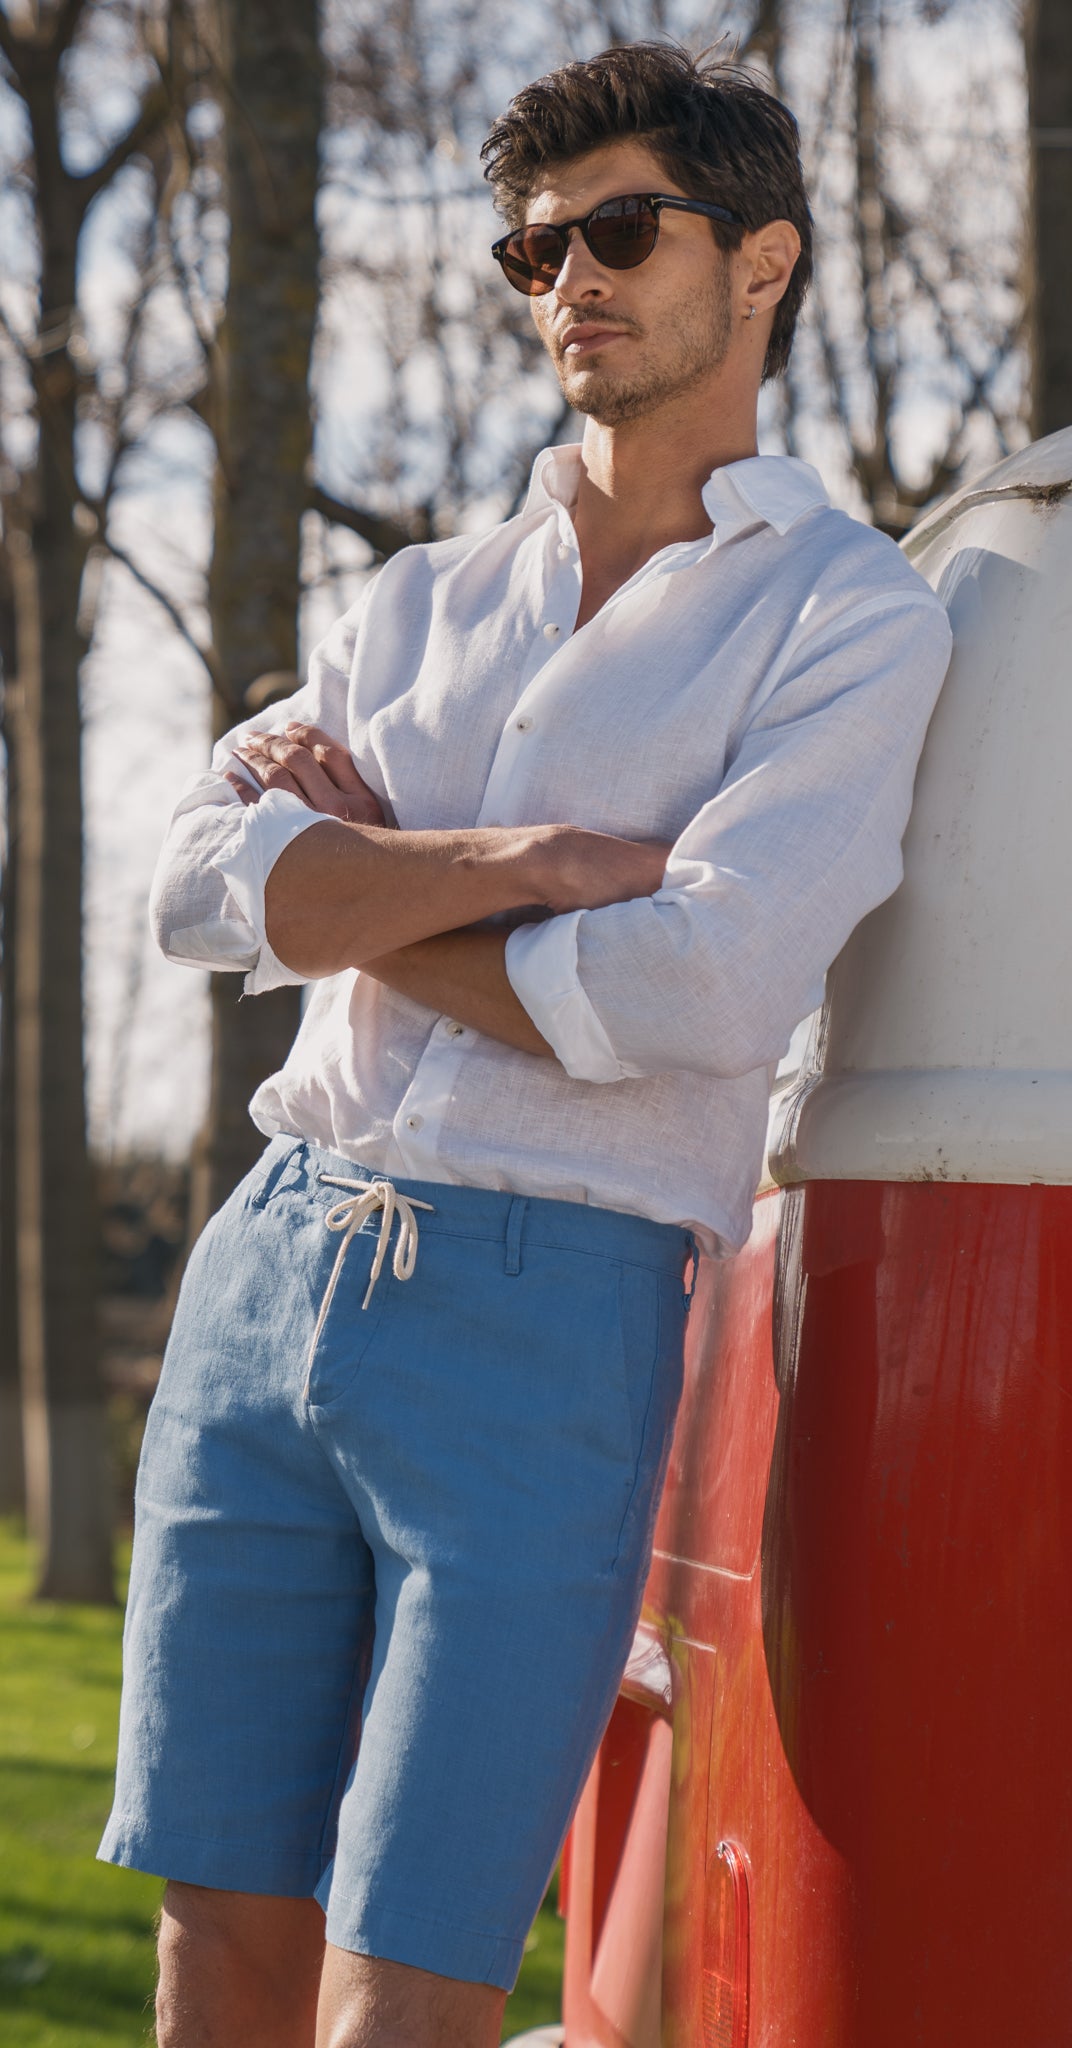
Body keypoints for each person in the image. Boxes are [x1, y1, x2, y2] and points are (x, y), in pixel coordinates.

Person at [100, 41, 952, 2048]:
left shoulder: (847, 618)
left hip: (549, 1306)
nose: (569, 277)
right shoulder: (411, 604)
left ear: (761, 261)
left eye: (619, 230)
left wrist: (366, 890)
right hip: (267, 1265)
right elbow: (199, 889)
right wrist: (534, 867)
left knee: (414, 1972)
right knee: (216, 1944)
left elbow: (701, 990)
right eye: (535, 247)